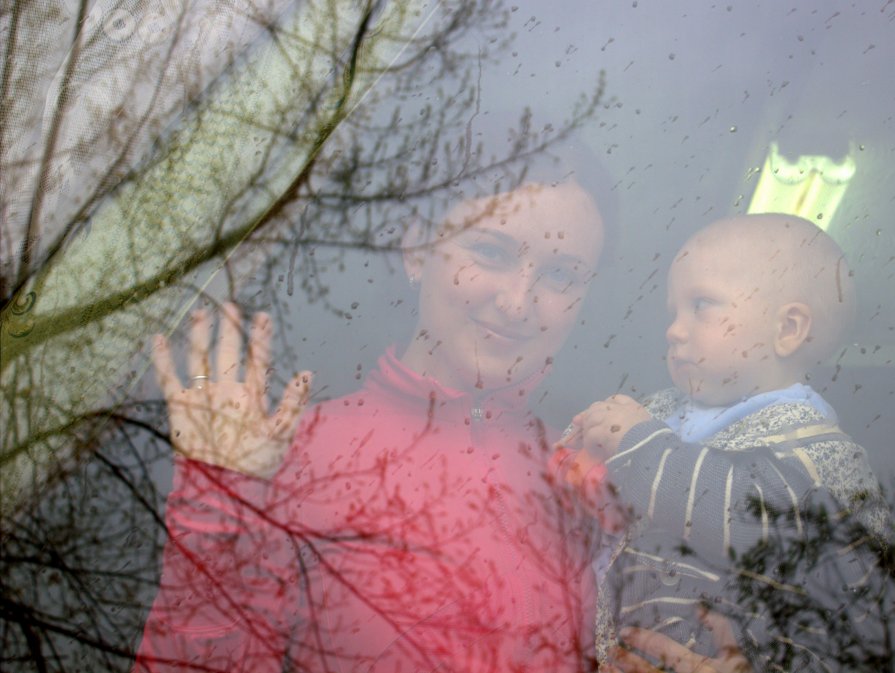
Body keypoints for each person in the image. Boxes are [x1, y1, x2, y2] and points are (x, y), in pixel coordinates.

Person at [134, 140, 613, 672]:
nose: (518, 302)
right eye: (492, 252)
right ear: (416, 249)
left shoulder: (594, 477)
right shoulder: (289, 454)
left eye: (562, 276)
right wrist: (217, 502)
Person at [556, 214, 891, 672]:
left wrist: (636, 443)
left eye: (701, 305)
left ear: (787, 329)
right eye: (673, 312)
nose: (674, 329)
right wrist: (584, 453)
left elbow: (741, 515)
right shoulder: (663, 414)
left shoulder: (810, 452)